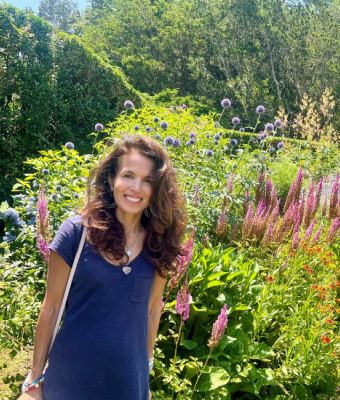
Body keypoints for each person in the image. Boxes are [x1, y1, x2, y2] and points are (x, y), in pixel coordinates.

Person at [19, 134, 188, 400]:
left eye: (148, 180)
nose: (136, 187)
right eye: (128, 175)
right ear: (111, 180)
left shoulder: (160, 243)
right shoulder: (76, 233)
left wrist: (145, 373)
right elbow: (51, 307)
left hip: (128, 385)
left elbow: (153, 309)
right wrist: (34, 382)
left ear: (157, 189)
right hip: (69, 380)